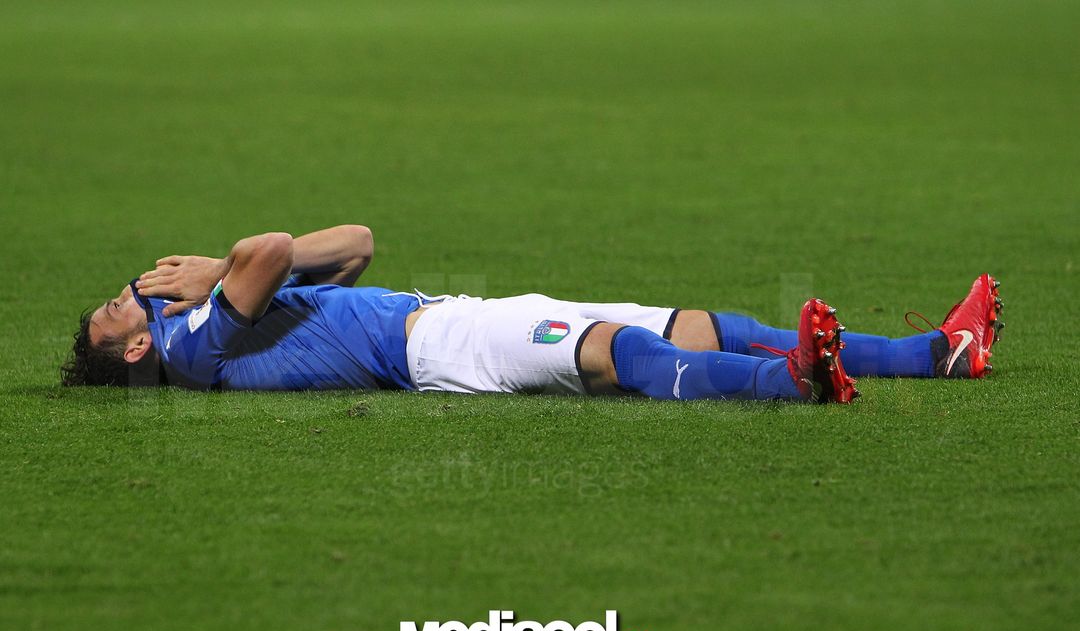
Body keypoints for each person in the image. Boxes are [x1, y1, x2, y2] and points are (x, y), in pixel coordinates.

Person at [60, 225, 1004, 404]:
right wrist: (218, 266)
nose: (129, 289)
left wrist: (237, 270)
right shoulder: (193, 348)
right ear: (136, 347)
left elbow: (356, 241)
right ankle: (798, 382)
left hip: (450, 316)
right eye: (116, 308)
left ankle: (937, 352)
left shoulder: (211, 324)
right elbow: (268, 250)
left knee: (697, 324)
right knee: (614, 351)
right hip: (440, 350)